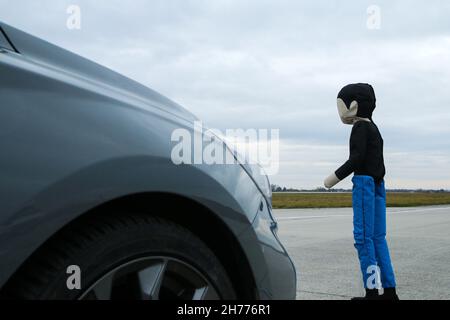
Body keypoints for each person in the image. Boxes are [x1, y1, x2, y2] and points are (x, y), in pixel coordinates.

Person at [324, 83, 399, 300]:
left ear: (353, 105)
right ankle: (390, 290)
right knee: (378, 238)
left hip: (365, 184)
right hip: (378, 185)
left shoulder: (360, 128)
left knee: (363, 239)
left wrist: (332, 178)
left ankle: (372, 292)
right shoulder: (375, 128)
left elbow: (356, 159)